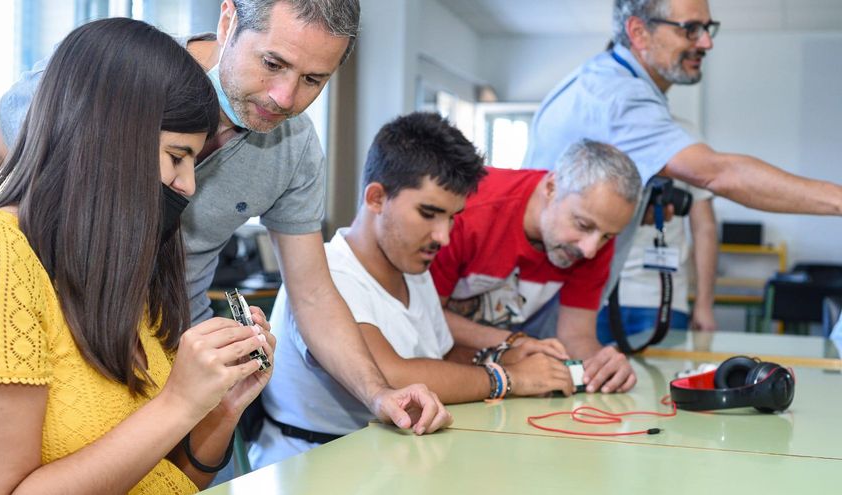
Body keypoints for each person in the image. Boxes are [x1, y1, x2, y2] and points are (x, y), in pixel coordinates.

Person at [0, 0, 450, 438]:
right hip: (58, 344)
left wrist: (378, 394)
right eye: (272, 64)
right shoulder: (116, 77)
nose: (284, 97)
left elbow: (314, 294)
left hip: (174, 359)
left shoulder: (294, 146)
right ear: (228, 19)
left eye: (313, 80)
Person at [0, 18, 276, 494]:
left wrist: (222, 406)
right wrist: (178, 403)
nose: (188, 185)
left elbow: (170, 477)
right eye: (177, 157)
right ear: (110, 142)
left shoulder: (125, 266)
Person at [250, 112, 576, 469]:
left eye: (452, 217)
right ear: (376, 198)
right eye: (428, 213)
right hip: (314, 465)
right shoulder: (328, 271)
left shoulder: (413, 269)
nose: (444, 237)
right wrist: (509, 378)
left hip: (391, 457)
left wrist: (503, 355)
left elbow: (441, 357)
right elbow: (393, 375)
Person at [522, 0, 842, 311]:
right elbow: (719, 174)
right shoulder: (620, 96)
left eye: (706, 28)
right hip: (539, 290)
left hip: (553, 288)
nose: (705, 43)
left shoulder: (602, 76)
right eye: (689, 29)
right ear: (639, 32)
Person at [430, 139, 643, 394]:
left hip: (498, 373)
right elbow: (428, 316)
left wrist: (602, 365)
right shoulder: (467, 210)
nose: (590, 250)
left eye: (608, 236)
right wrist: (513, 342)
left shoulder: (596, 234)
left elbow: (575, 335)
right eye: (583, 225)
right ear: (551, 188)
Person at [596, 179, 717, 344]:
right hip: (596, 293)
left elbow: (704, 228)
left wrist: (704, 305)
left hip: (663, 298)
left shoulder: (689, 164)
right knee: (587, 359)